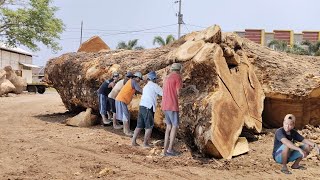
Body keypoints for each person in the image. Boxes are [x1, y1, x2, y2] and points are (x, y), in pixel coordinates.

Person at [132, 71, 163, 147]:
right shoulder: (155, 86)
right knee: (149, 126)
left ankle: (133, 141)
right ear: (154, 79)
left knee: (139, 125)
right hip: (148, 107)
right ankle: (145, 143)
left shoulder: (146, 86)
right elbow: (164, 93)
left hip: (142, 106)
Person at [161, 63, 183, 156]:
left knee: (168, 127)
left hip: (165, 105)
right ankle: (170, 149)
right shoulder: (178, 77)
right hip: (172, 105)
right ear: (179, 70)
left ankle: (165, 150)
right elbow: (178, 93)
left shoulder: (167, 77)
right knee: (175, 126)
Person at [115, 72, 143, 136]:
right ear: (137, 77)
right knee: (126, 116)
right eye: (139, 79)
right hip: (121, 99)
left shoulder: (131, 82)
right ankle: (127, 131)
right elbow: (140, 90)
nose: (139, 81)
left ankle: (126, 130)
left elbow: (136, 91)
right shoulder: (133, 81)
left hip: (121, 100)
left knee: (126, 115)